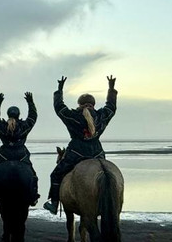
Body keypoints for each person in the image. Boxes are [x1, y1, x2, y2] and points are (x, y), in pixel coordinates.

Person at [42, 74, 118, 215]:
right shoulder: (101, 115)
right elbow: (111, 107)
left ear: (79, 104)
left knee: (56, 174)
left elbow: (59, 107)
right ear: (93, 104)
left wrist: (59, 90)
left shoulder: (73, 116)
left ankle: (54, 203)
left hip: (76, 152)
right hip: (97, 153)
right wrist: (111, 89)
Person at [0, 90, 39, 204]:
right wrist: (30, 102)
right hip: (21, 154)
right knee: (33, 174)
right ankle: (34, 196)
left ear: (8, 114)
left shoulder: (2, 126)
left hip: (4, 154)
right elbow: (33, 117)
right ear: (18, 115)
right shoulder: (24, 126)